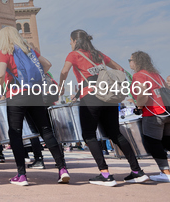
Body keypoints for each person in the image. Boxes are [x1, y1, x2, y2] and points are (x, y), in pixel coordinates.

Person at [58, 29, 148, 186]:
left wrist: (61, 86)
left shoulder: (74, 54)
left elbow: (64, 71)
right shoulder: (98, 54)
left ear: (75, 41)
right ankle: (137, 171)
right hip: (108, 96)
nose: (70, 44)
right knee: (115, 133)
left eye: (71, 41)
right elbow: (119, 69)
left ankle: (105, 174)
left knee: (89, 135)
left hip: (91, 96)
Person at [0, 26, 69, 186]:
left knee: (15, 134)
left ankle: (21, 175)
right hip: (35, 94)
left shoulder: (5, 51)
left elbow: (1, 74)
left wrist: (0, 88)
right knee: (46, 131)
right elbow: (48, 64)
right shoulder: (28, 50)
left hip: (16, 96)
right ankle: (62, 169)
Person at [129, 51, 170, 182]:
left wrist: (139, 106)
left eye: (130, 60)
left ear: (136, 61)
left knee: (153, 143)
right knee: (167, 141)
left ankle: (165, 172)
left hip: (153, 113)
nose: (129, 62)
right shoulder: (156, 75)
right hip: (167, 111)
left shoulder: (139, 75)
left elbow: (143, 94)